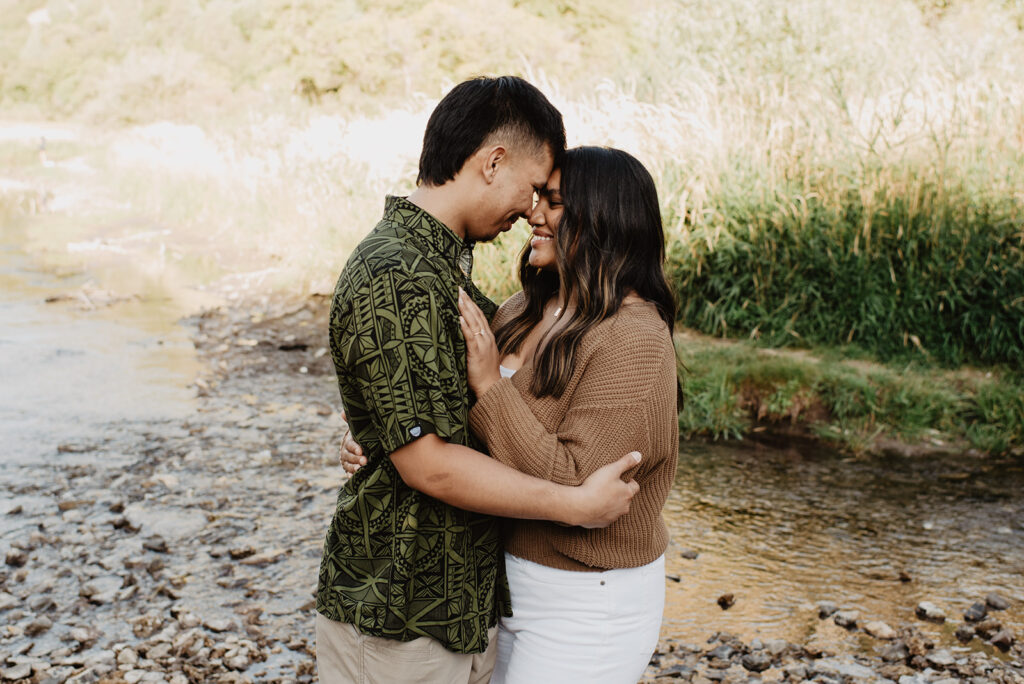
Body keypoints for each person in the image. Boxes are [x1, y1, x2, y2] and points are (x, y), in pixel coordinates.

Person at [317, 77, 645, 684]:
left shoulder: (447, 274)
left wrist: (377, 438)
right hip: (400, 613)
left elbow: (471, 408)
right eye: (532, 188)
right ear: (493, 162)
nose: (531, 211)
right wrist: (574, 505)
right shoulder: (397, 274)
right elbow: (431, 465)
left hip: (456, 612)